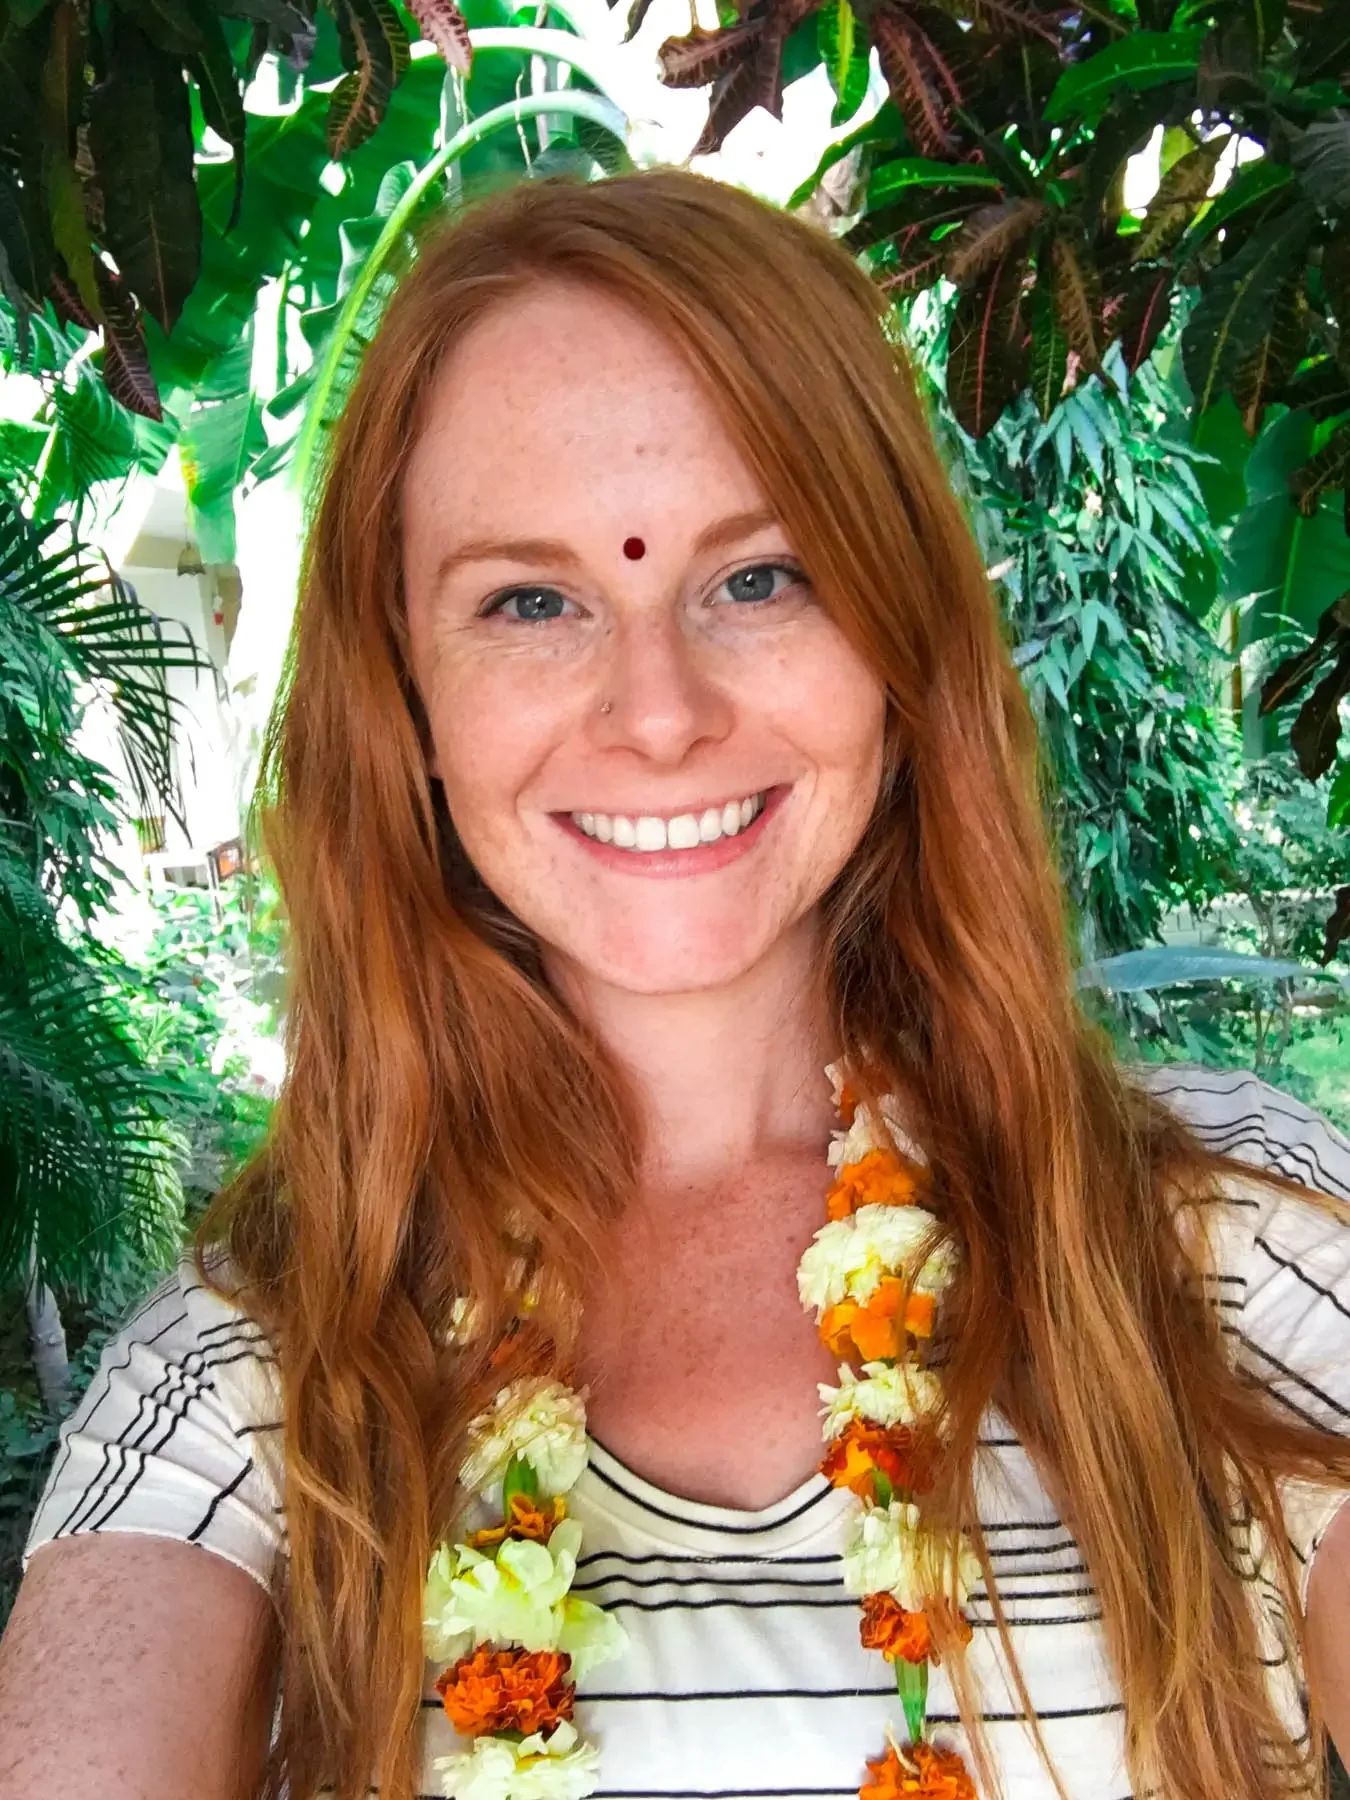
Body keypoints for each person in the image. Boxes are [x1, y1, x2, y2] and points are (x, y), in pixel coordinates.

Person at [1, 167, 1348, 1800]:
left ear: (897, 634)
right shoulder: (260, 1361)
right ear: (406, 700)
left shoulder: (1233, 1237)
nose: (657, 713)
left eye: (758, 577)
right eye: (530, 600)